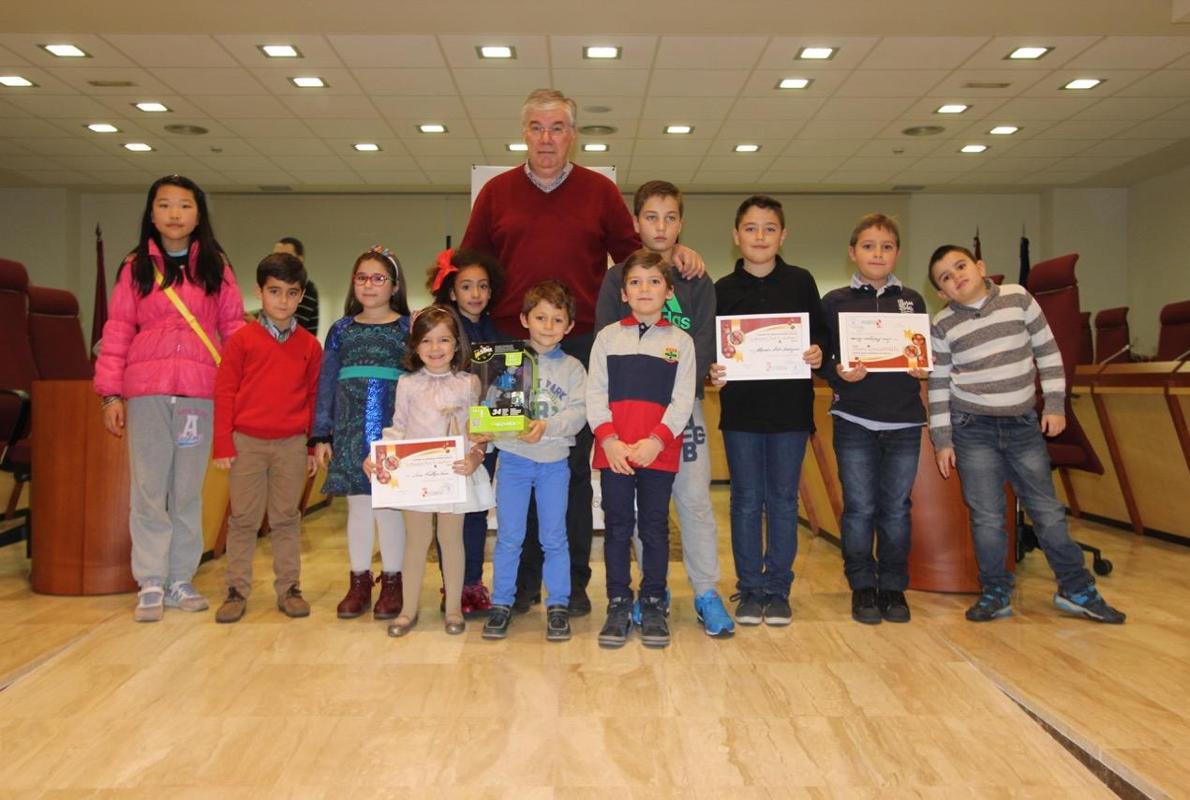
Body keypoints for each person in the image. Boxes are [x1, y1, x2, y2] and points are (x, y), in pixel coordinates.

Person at [460, 88, 705, 617]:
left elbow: (635, 256)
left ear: (572, 134)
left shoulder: (598, 191)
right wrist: (441, 317)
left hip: (582, 344)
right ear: (523, 132)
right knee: (516, 466)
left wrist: (672, 251)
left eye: (557, 128)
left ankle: (568, 586)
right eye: (536, 127)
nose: (546, 138)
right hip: (509, 347)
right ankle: (521, 586)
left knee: (569, 469)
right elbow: (469, 267)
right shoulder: (497, 194)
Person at [927, 245, 1126, 624]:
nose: (956, 277)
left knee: (1047, 512)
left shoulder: (1018, 298)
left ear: (980, 266)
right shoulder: (942, 324)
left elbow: (1048, 353)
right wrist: (943, 439)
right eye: (945, 278)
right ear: (941, 293)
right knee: (987, 516)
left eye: (960, 266)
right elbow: (938, 385)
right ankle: (996, 591)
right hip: (973, 429)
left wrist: (1054, 404)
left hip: (1022, 426)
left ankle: (1075, 588)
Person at [94, 174, 246, 622]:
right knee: (147, 490)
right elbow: (118, 330)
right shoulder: (135, 265)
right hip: (148, 394)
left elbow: (234, 329)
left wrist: (240, 390)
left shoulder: (216, 265)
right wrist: (110, 395)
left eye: (184, 205)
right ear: (152, 212)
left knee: (186, 492)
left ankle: (181, 576)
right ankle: (151, 581)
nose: (175, 214)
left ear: (198, 213)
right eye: (165, 205)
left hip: (199, 395)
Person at [594, 180, 734, 638]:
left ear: (681, 223)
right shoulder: (617, 276)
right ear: (636, 223)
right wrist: (615, 431)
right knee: (638, 513)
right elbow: (604, 341)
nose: (661, 225)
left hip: (678, 414)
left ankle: (706, 593)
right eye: (651, 217)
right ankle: (650, 593)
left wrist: (665, 427)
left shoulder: (695, 276)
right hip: (626, 417)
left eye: (670, 217)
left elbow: (706, 342)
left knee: (693, 504)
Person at [710, 195, 827, 627]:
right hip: (741, 413)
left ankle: (778, 590)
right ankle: (750, 589)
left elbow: (822, 340)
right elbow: (712, 350)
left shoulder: (801, 281)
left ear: (783, 235)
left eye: (769, 228)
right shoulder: (720, 290)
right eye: (751, 228)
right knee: (744, 501)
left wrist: (818, 352)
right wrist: (714, 370)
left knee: (781, 500)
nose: (760, 236)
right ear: (736, 236)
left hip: (790, 413)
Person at [821, 213, 928, 625]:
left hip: (903, 421)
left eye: (886, 246)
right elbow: (822, 359)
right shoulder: (834, 302)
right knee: (860, 508)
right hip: (854, 419)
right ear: (853, 253)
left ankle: (894, 587)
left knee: (897, 509)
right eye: (868, 246)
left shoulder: (913, 300)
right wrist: (837, 372)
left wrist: (921, 367)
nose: (877, 254)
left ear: (897, 253)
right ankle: (862, 585)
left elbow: (918, 351)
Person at [588, 250, 696, 649]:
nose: (644, 288)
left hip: (658, 454)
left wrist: (656, 441)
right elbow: (595, 393)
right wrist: (610, 440)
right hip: (613, 452)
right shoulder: (607, 338)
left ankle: (652, 600)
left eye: (654, 281)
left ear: (669, 291)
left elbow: (682, 401)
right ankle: (618, 602)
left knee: (653, 529)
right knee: (616, 529)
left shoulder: (680, 342)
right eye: (635, 281)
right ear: (623, 292)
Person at [369, 306, 493, 638]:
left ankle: (453, 606)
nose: (435, 348)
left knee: (451, 541)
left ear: (457, 344)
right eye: (426, 341)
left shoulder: (469, 383)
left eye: (444, 340)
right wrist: (377, 457)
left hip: (455, 473)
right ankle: (408, 609)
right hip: (415, 476)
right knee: (416, 541)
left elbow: (478, 432)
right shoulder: (407, 384)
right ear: (415, 346)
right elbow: (398, 429)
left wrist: (476, 457)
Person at [212, 252, 322, 623]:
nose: (283, 300)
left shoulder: (309, 346)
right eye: (275, 291)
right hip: (246, 443)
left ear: (301, 296)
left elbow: (312, 397)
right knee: (243, 519)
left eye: (291, 293)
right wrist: (223, 443)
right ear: (260, 292)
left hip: (291, 444)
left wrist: (309, 444)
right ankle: (236, 589)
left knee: (286, 518)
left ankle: (289, 588)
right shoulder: (242, 341)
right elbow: (225, 392)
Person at [483, 281, 587, 642]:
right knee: (510, 536)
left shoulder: (573, 368)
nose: (548, 325)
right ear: (525, 319)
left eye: (557, 319)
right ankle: (501, 603)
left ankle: (558, 604)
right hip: (513, 460)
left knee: (554, 536)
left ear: (569, 326)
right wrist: (489, 431)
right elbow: (492, 407)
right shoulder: (508, 360)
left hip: (554, 462)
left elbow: (579, 413)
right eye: (540, 317)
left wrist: (548, 427)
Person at [311, 247, 411, 621]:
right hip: (350, 427)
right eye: (362, 278)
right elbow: (325, 383)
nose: (369, 285)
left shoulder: (407, 327)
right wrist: (322, 434)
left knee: (388, 507)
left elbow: (418, 380)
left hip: (393, 428)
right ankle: (358, 581)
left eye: (378, 278)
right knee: (358, 506)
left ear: (394, 285)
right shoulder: (340, 330)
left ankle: (393, 582)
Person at [426, 247, 506, 615]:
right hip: (445, 436)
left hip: (483, 439)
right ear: (451, 290)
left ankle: (471, 584)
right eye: (466, 286)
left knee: (474, 511)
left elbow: (506, 386)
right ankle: (452, 585)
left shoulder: (498, 332)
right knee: (449, 514)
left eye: (483, 286)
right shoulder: (440, 330)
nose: (475, 294)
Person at [273, 237, 319, 338]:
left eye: (286, 257)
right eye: (276, 257)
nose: (279, 262)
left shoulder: (307, 288)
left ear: (300, 259)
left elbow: (294, 326)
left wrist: (257, 323)